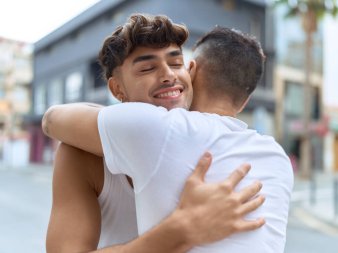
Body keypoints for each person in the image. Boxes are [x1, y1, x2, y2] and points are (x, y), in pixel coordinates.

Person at [44, 14, 293, 252]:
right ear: (117, 88)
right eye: (147, 68)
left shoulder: (205, 141)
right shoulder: (81, 153)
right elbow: (52, 119)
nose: (169, 75)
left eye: (176, 63)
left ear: (192, 72)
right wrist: (180, 231)